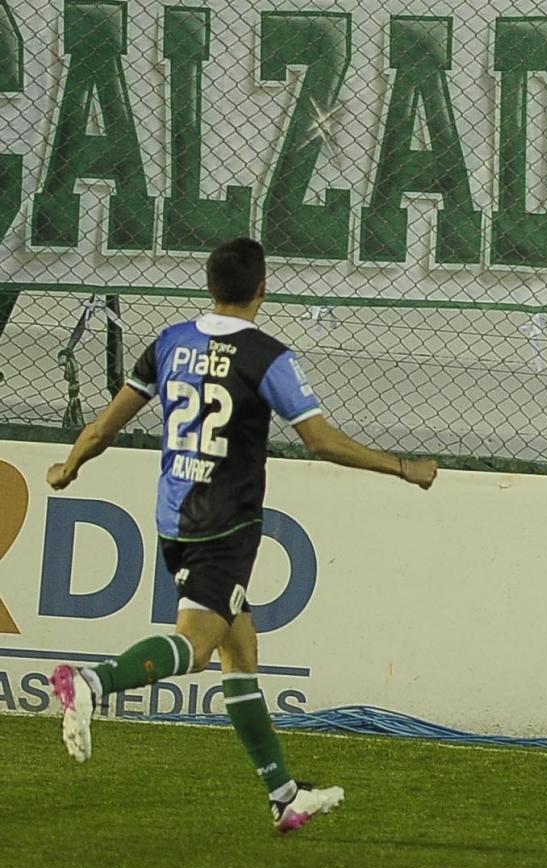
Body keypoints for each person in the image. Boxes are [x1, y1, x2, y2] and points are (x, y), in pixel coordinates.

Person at [45, 237, 439, 833]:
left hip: (173, 520)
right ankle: (90, 682)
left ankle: (284, 796)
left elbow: (104, 425)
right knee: (198, 647)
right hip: (226, 526)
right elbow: (321, 441)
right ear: (263, 288)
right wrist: (404, 468)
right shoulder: (266, 357)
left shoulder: (170, 343)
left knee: (240, 649)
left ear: (210, 285)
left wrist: (69, 465)